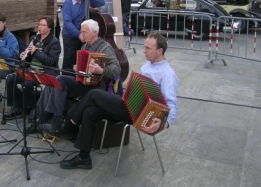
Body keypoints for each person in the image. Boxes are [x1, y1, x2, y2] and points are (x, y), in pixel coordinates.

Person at [59, 31, 179, 170]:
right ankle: (84, 158)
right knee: (90, 112)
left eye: (148, 48)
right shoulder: (148, 65)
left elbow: (172, 104)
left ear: (160, 50)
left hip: (138, 114)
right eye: (144, 47)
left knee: (94, 94)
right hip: (128, 104)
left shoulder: (168, 74)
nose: (144, 51)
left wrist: (164, 124)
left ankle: (69, 124)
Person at [38, 19, 121, 135]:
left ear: (94, 33)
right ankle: (52, 119)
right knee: (59, 79)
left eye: (85, 32)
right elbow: (82, 69)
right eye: (81, 32)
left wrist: (102, 70)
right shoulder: (85, 47)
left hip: (96, 88)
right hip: (83, 83)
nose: (82, 35)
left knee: (59, 82)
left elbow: (117, 69)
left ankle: (54, 122)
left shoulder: (105, 48)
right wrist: (77, 68)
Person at [4, 16, 61, 119]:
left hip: (44, 72)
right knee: (10, 79)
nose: (40, 27)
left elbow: (50, 61)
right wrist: (24, 55)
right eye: (39, 24)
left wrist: (36, 52)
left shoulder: (54, 42)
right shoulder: (34, 38)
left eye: (43, 25)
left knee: (26, 84)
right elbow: (29, 58)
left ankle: (32, 108)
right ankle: (15, 107)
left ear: (49, 28)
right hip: (31, 70)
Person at [61, 0, 105, 72]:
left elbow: (101, 2)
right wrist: (78, 34)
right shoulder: (67, 3)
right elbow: (67, 22)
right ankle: (66, 81)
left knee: (82, 61)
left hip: (84, 34)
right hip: (70, 36)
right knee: (69, 61)